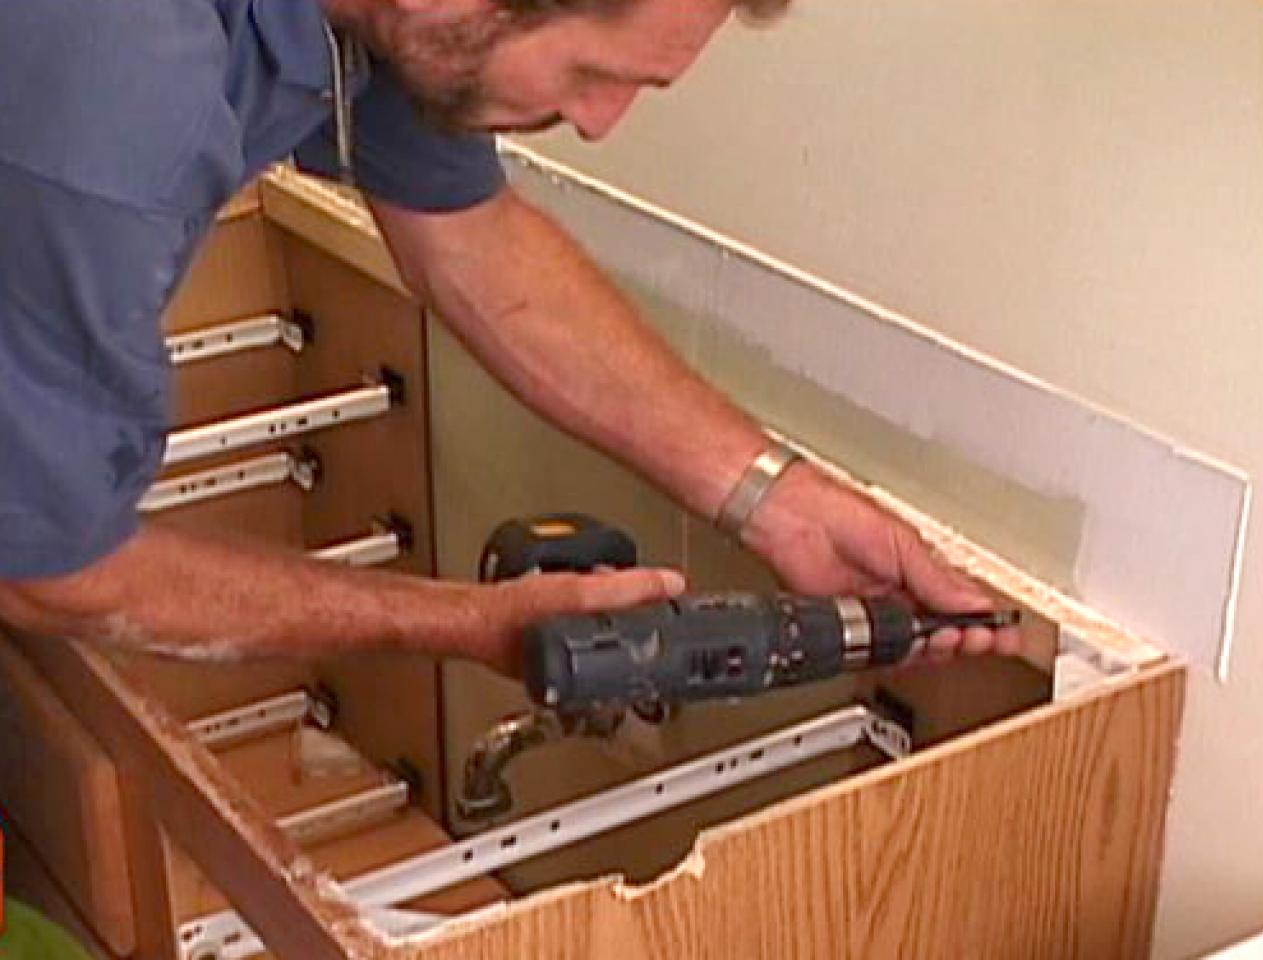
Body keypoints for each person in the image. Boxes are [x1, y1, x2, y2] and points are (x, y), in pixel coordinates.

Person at [0, 0, 1017, 677]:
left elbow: (468, 237)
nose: (600, 123)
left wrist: (772, 497)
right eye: (591, 73)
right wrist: (466, 625)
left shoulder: (384, 25)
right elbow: (45, 566)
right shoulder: (109, 105)